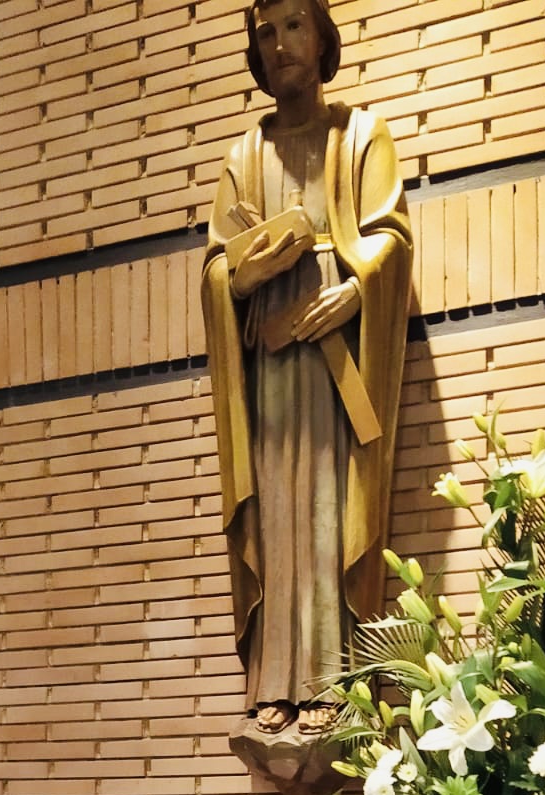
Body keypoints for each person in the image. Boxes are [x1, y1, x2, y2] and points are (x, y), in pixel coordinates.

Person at [201, 0, 412, 735]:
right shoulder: (244, 156)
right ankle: (274, 680)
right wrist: (245, 275)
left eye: (294, 25)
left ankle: (332, 679)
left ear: (322, 38)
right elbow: (217, 268)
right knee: (279, 516)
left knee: (329, 511)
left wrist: (356, 290)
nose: (280, 43)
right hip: (270, 366)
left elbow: (391, 238)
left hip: (335, 364)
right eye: (266, 32)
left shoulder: (360, 137)